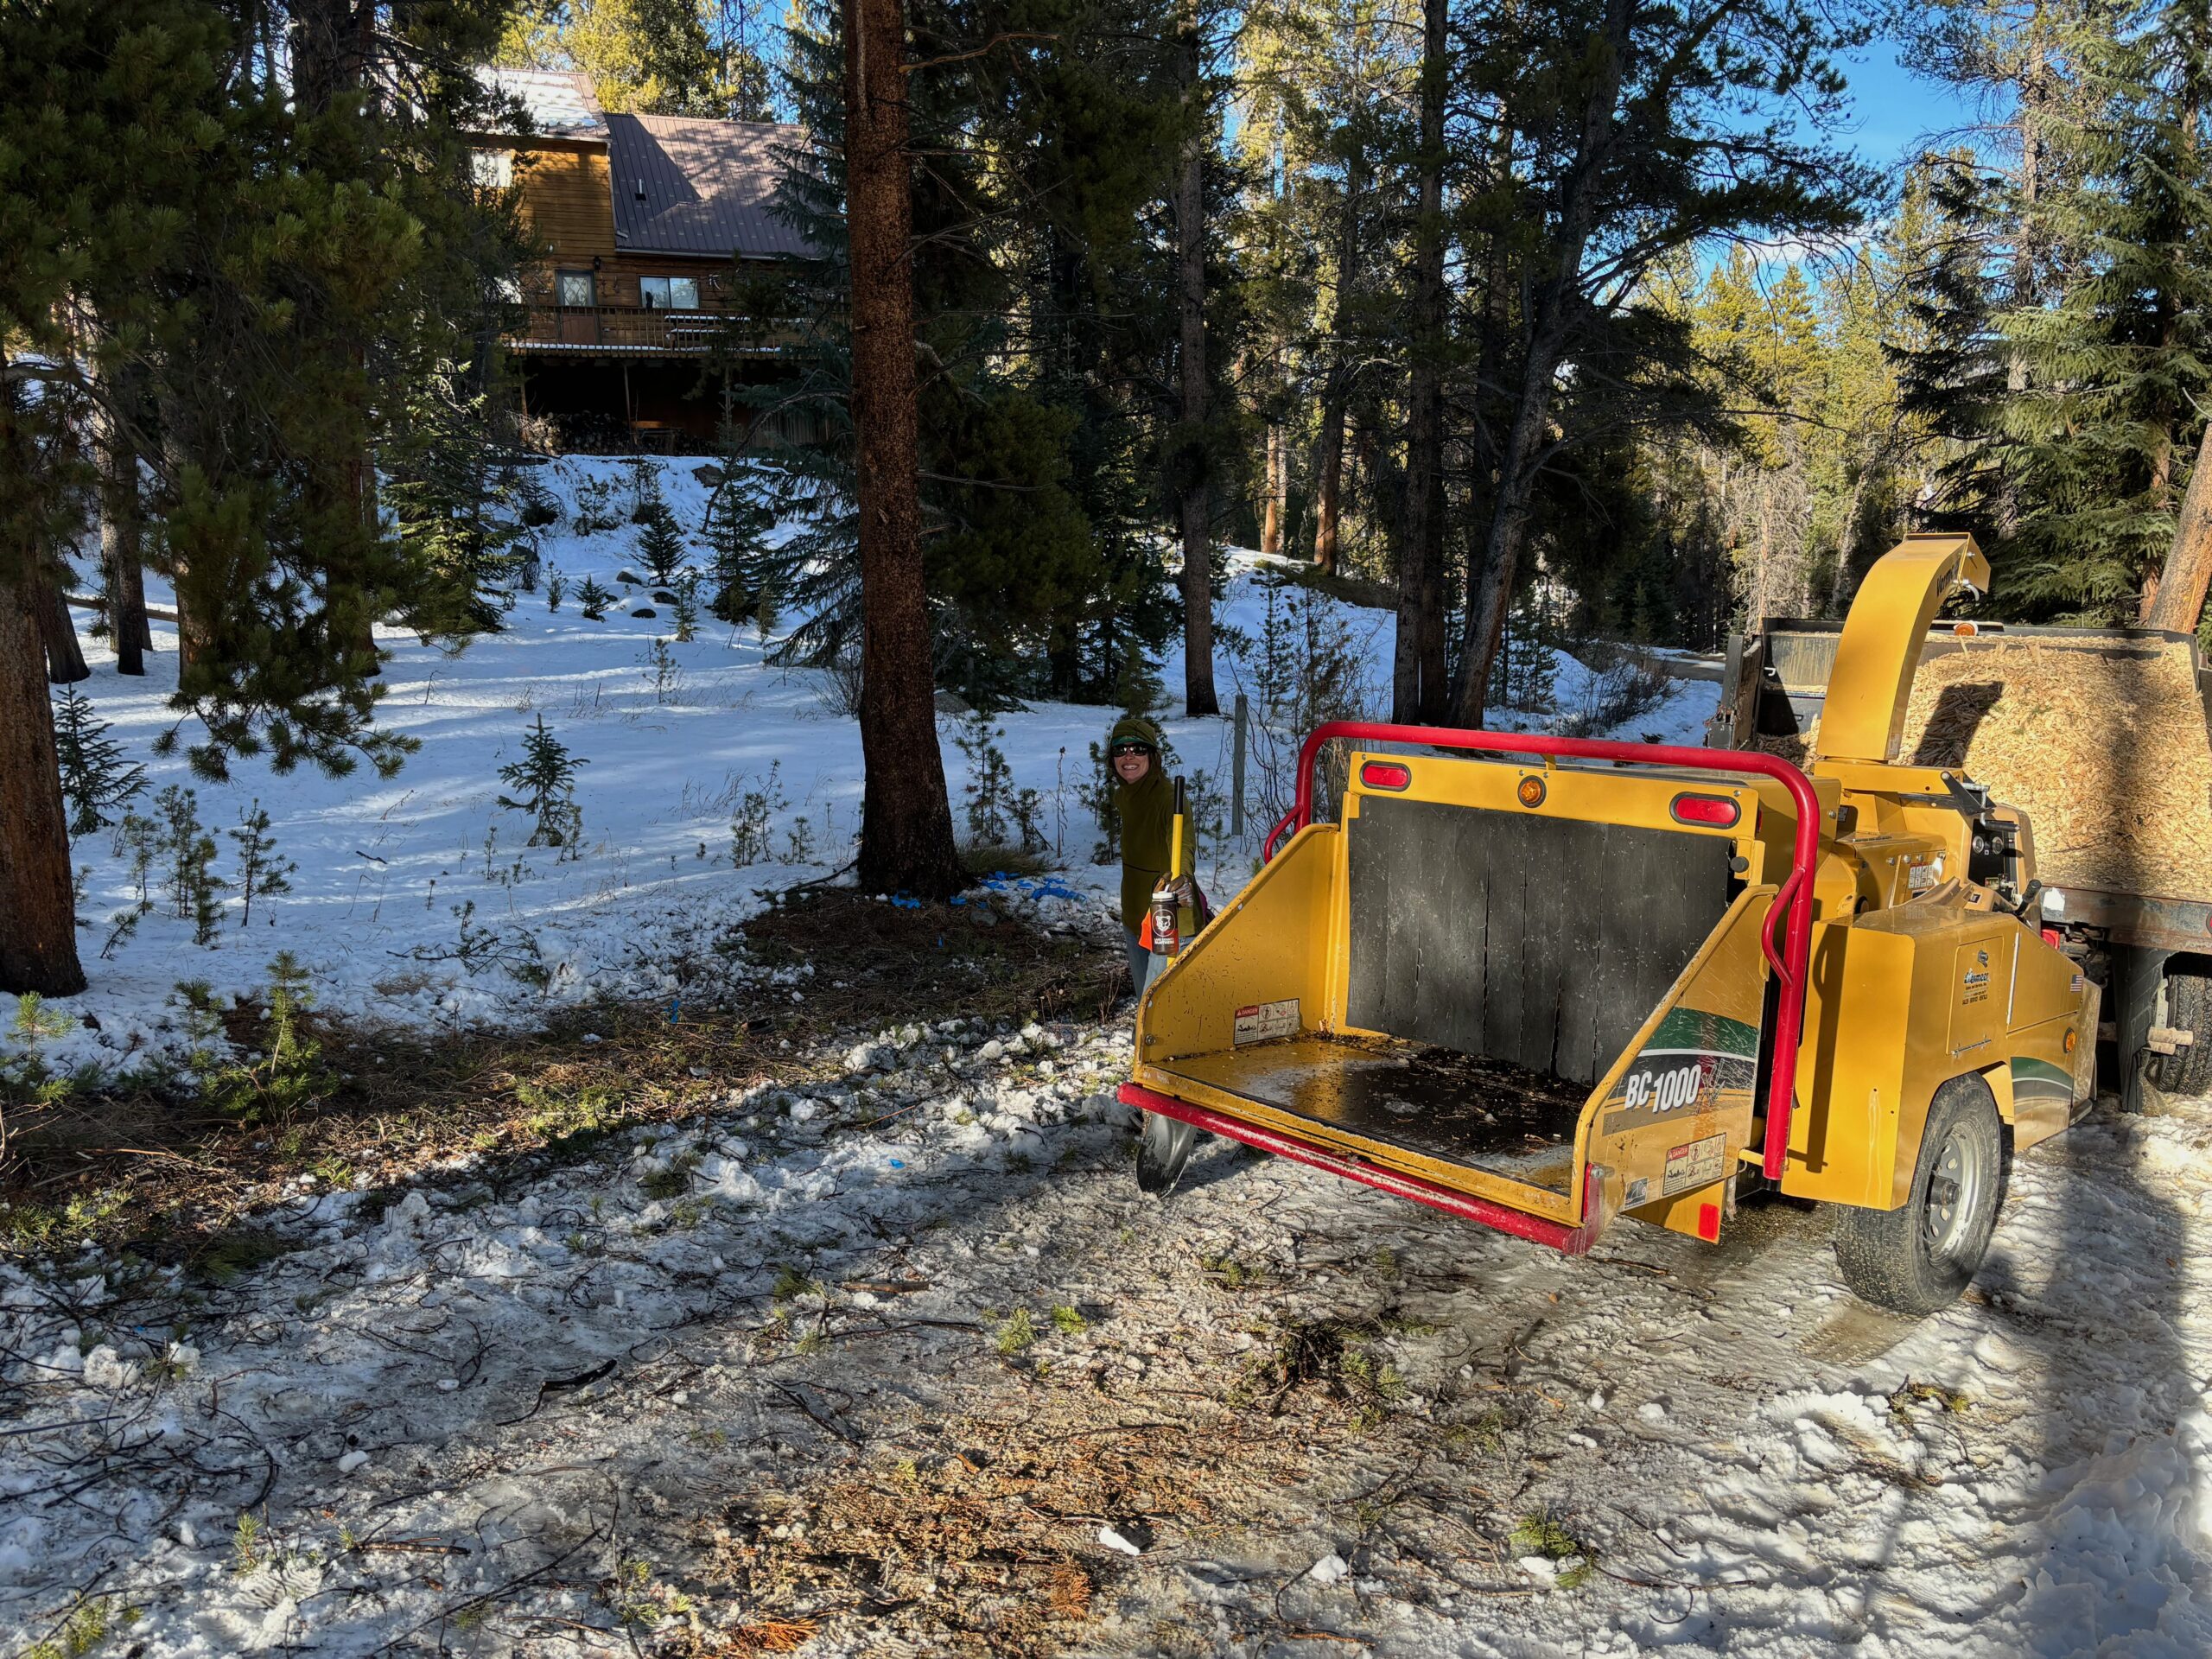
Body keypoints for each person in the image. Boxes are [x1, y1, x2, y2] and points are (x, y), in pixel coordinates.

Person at [1109, 714, 1172, 1000]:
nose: (1128, 756)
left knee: (1159, 1005)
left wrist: (1182, 877)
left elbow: (1184, 847)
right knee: (1143, 998)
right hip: (1133, 913)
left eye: (1138, 748)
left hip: (1164, 915)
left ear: (1153, 755)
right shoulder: (1125, 796)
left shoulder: (1169, 797)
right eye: (1120, 750)